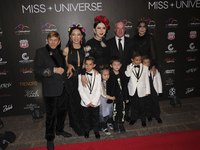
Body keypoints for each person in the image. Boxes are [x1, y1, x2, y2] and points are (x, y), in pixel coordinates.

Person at [34, 31, 72, 150]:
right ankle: (49, 138)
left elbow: (64, 67)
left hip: (63, 89)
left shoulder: (61, 53)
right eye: (51, 40)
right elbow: (37, 71)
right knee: (50, 116)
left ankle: (59, 130)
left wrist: (69, 68)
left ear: (59, 42)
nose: (53, 42)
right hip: (50, 90)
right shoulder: (41, 52)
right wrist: (53, 70)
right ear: (47, 40)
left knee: (62, 112)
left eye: (55, 40)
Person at [107, 21, 134, 122]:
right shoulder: (108, 42)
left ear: (125, 30)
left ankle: (125, 114)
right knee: (115, 94)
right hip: (114, 74)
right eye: (118, 28)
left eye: (122, 28)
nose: (120, 30)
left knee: (126, 93)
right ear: (114, 30)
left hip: (127, 73)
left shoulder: (131, 42)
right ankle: (114, 115)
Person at [63, 23, 86, 136]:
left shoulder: (85, 49)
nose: (76, 37)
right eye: (73, 35)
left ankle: (81, 122)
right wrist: (68, 66)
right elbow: (63, 64)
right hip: (71, 79)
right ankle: (76, 125)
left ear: (82, 36)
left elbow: (88, 64)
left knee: (82, 101)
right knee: (73, 103)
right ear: (70, 36)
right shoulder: (67, 50)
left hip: (82, 77)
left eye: (78, 34)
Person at [78, 56, 102, 139]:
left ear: (94, 65)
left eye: (90, 64)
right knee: (86, 117)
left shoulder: (98, 75)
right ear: (84, 64)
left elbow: (99, 89)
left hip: (96, 101)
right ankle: (86, 130)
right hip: (85, 102)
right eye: (86, 64)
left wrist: (94, 101)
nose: (88, 66)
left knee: (95, 117)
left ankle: (96, 130)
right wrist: (87, 101)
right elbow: (80, 89)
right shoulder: (80, 76)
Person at [125, 51, 150, 127]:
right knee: (134, 106)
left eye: (140, 60)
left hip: (142, 90)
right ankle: (133, 119)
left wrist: (147, 91)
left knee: (142, 106)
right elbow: (127, 74)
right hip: (133, 90)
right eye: (136, 60)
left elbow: (146, 80)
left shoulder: (145, 68)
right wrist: (132, 66)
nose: (138, 61)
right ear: (132, 60)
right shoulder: (129, 67)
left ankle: (143, 120)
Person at [108, 56, 129, 133]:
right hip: (114, 97)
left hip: (122, 97)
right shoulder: (110, 75)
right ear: (111, 66)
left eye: (118, 65)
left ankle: (121, 123)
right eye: (115, 65)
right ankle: (115, 123)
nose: (117, 66)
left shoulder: (122, 74)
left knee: (122, 110)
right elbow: (109, 87)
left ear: (121, 65)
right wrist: (110, 97)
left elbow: (125, 86)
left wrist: (126, 97)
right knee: (115, 111)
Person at [142, 55, 162, 124]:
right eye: (145, 62)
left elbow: (159, 81)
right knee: (147, 104)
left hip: (154, 90)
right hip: (146, 91)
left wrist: (159, 91)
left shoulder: (155, 70)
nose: (147, 64)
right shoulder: (142, 72)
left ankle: (157, 116)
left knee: (155, 103)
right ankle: (149, 116)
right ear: (142, 63)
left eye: (148, 62)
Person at [99, 65, 115, 135]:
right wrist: (111, 97)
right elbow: (103, 94)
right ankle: (104, 126)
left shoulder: (109, 81)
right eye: (105, 75)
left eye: (108, 74)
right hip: (103, 100)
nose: (107, 76)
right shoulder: (100, 83)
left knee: (109, 111)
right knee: (104, 112)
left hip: (109, 99)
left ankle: (109, 122)